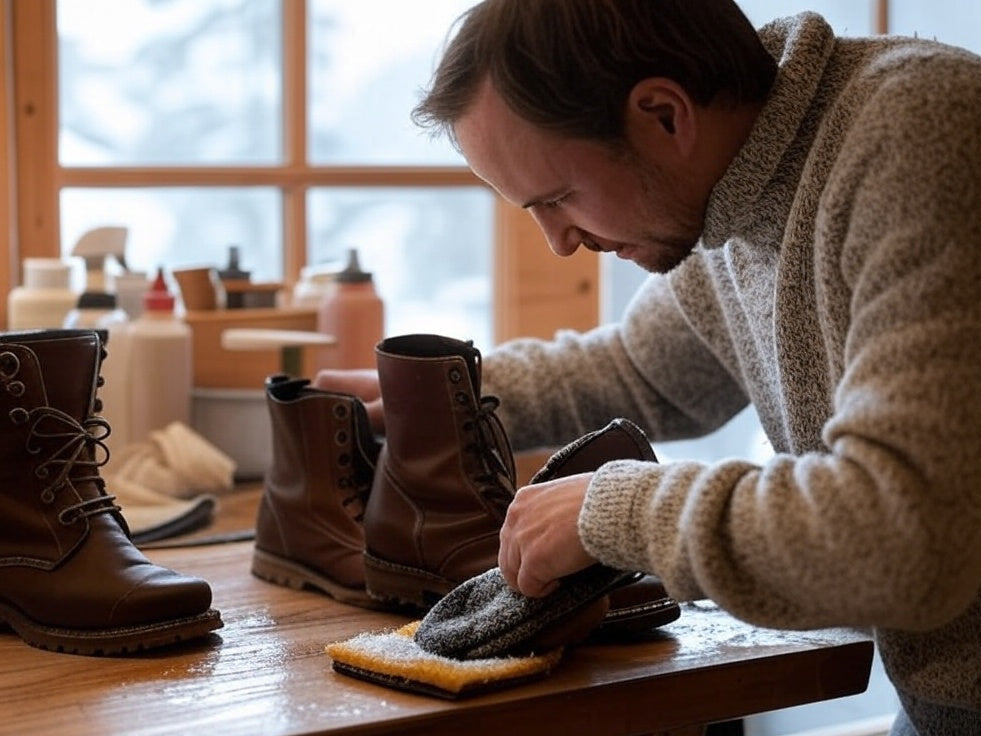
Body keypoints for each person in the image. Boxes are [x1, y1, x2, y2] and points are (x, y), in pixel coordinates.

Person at [316, 2, 981, 734]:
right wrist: (448, 395)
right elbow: (647, 371)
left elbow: (904, 533)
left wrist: (612, 510)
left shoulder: (920, 134)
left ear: (663, 115)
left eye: (558, 198)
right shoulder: (742, 190)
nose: (559, 244)